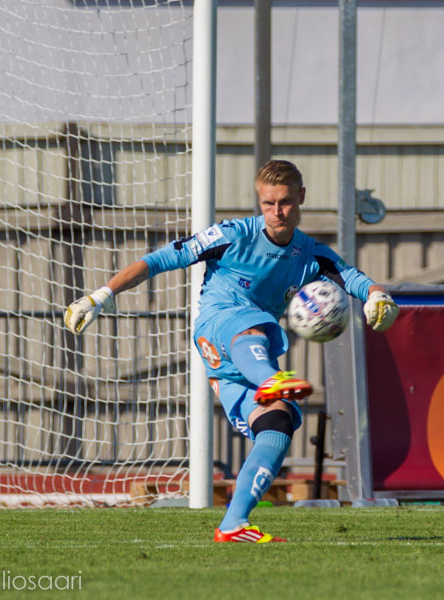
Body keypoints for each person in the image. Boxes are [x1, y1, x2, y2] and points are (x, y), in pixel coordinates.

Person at [63, 160, 399, 543]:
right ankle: (271, 379)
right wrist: (101, 295)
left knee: (278, 423)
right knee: (252, 325)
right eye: (268, 203)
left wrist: (377, 296)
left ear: (301, 197)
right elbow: (160, 260)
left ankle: (233, 524)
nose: (277, 212)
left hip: (236, 365)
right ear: (259, 200)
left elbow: (352, 277)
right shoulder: (232, 235)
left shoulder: (310, 255)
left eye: (285, 202)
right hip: (221, 326)